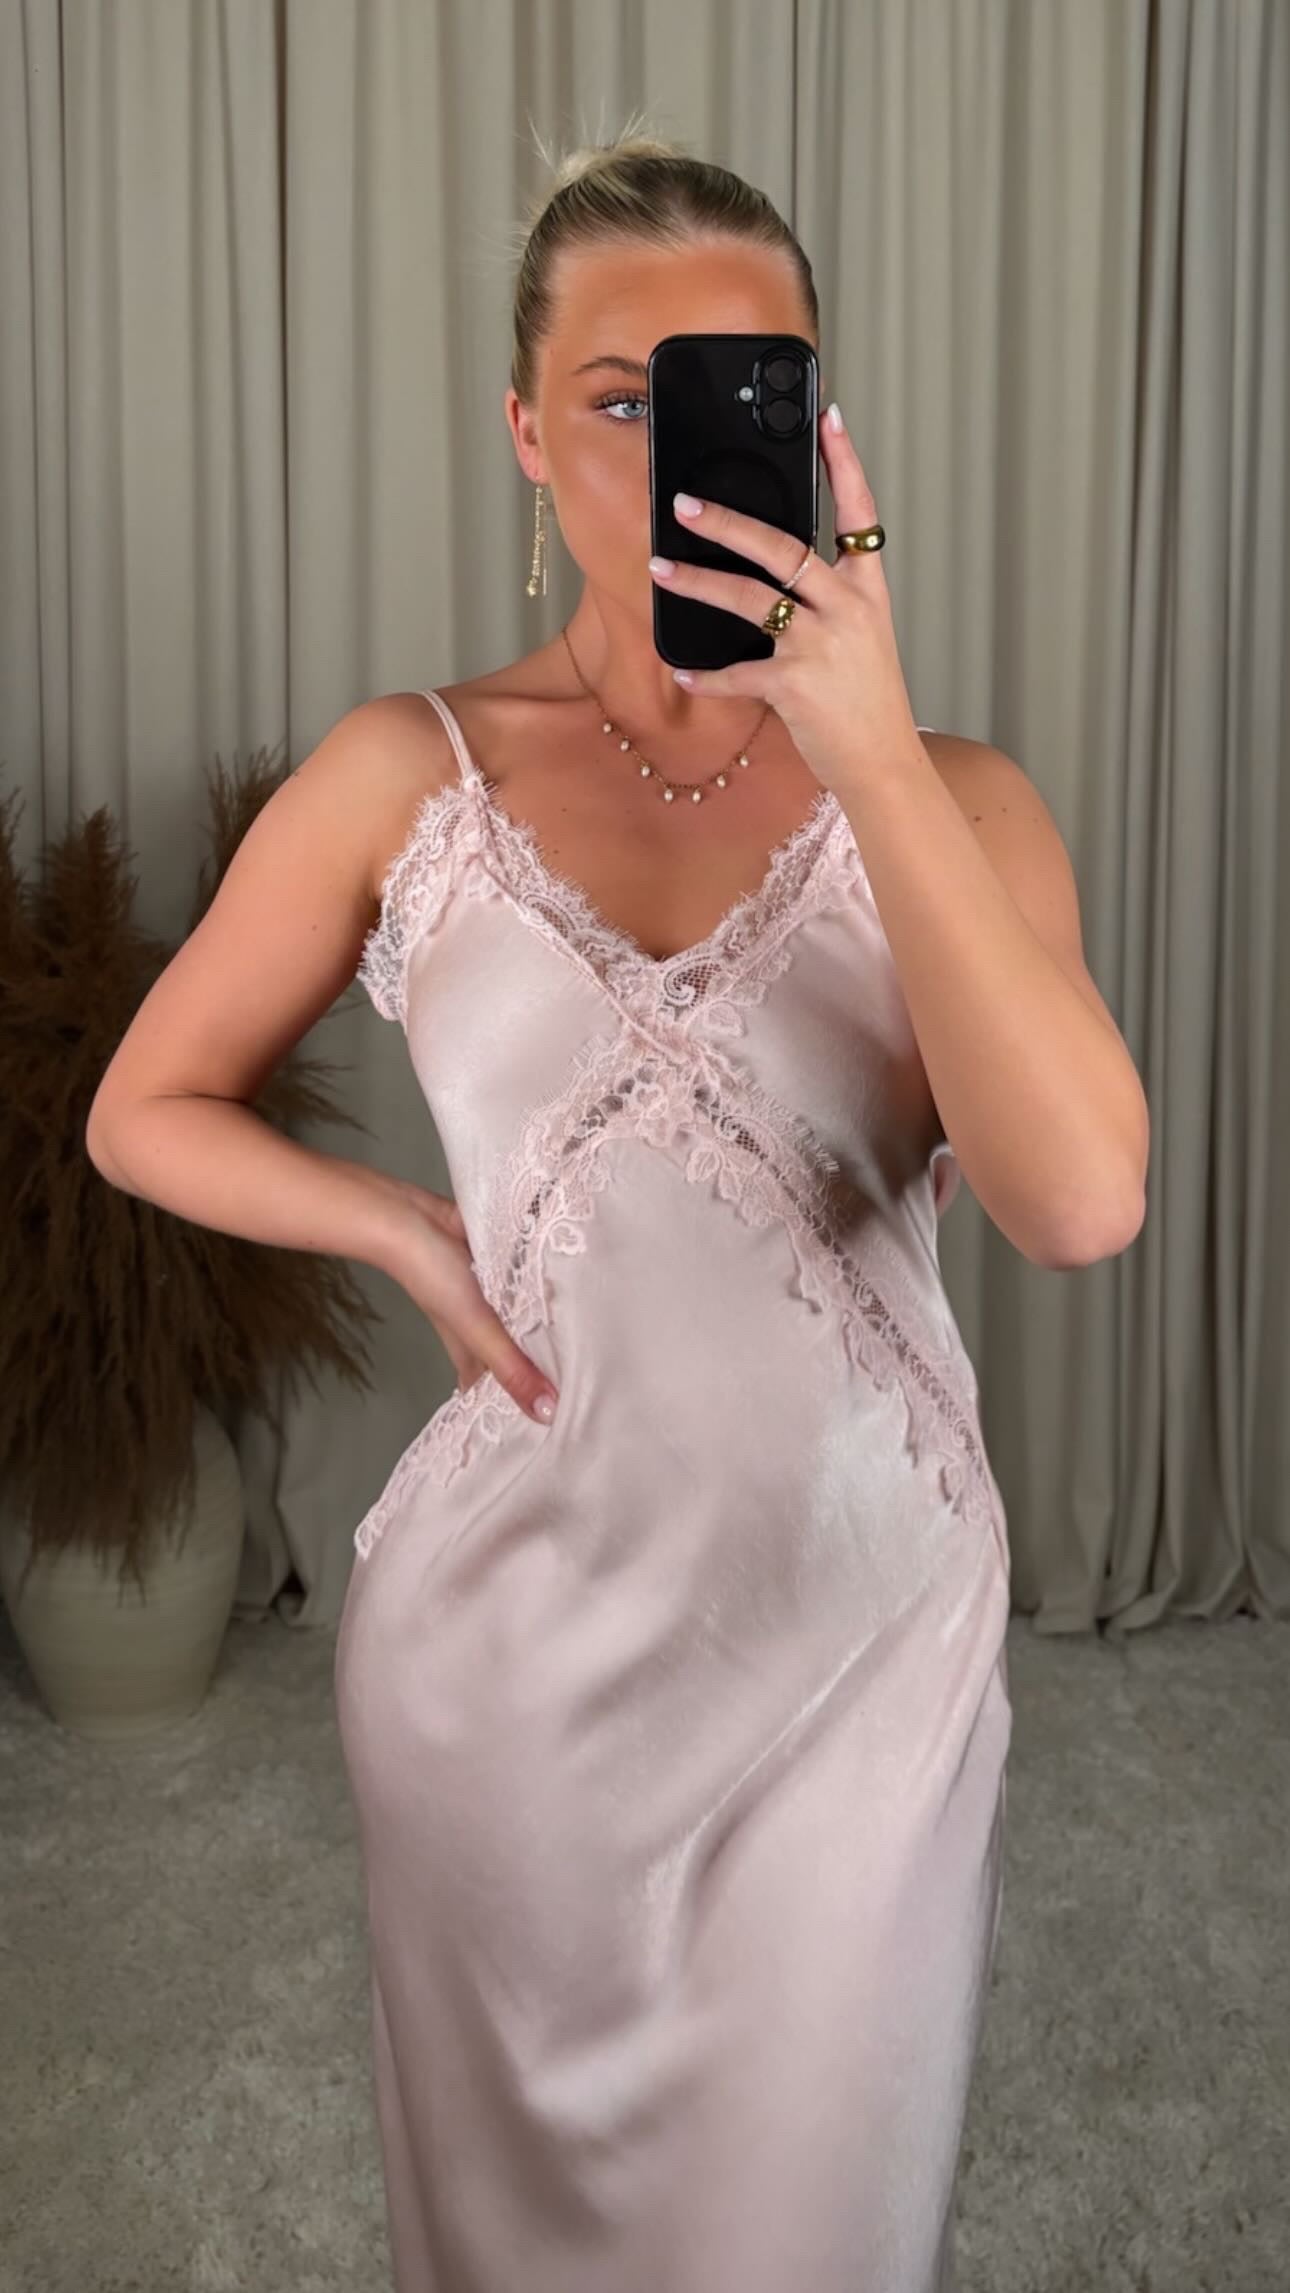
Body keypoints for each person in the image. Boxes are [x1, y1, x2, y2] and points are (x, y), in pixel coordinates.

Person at [87, 126, 1144, 2293]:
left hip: (858, 1653)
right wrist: (401, 1228)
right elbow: (141, 1108)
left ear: (818, 429)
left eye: (735, 396)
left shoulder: (957, 798)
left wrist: (867, 752)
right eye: (613, 401)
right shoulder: (406, 768)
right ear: (521, 436)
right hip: (512, 1681)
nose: (676, 458)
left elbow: (1080, 1201)